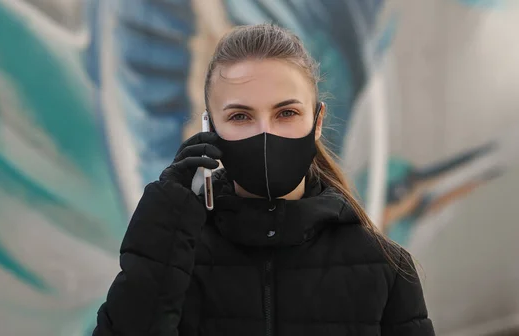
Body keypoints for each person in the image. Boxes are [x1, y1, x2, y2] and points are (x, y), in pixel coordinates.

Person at [93, 24, 435, 336]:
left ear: (316, 122)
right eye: (240, 116)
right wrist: (163, 227)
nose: (266, 133)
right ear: (210, 129)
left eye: (286, 113)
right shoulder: (176, 257)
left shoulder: (386, 268)